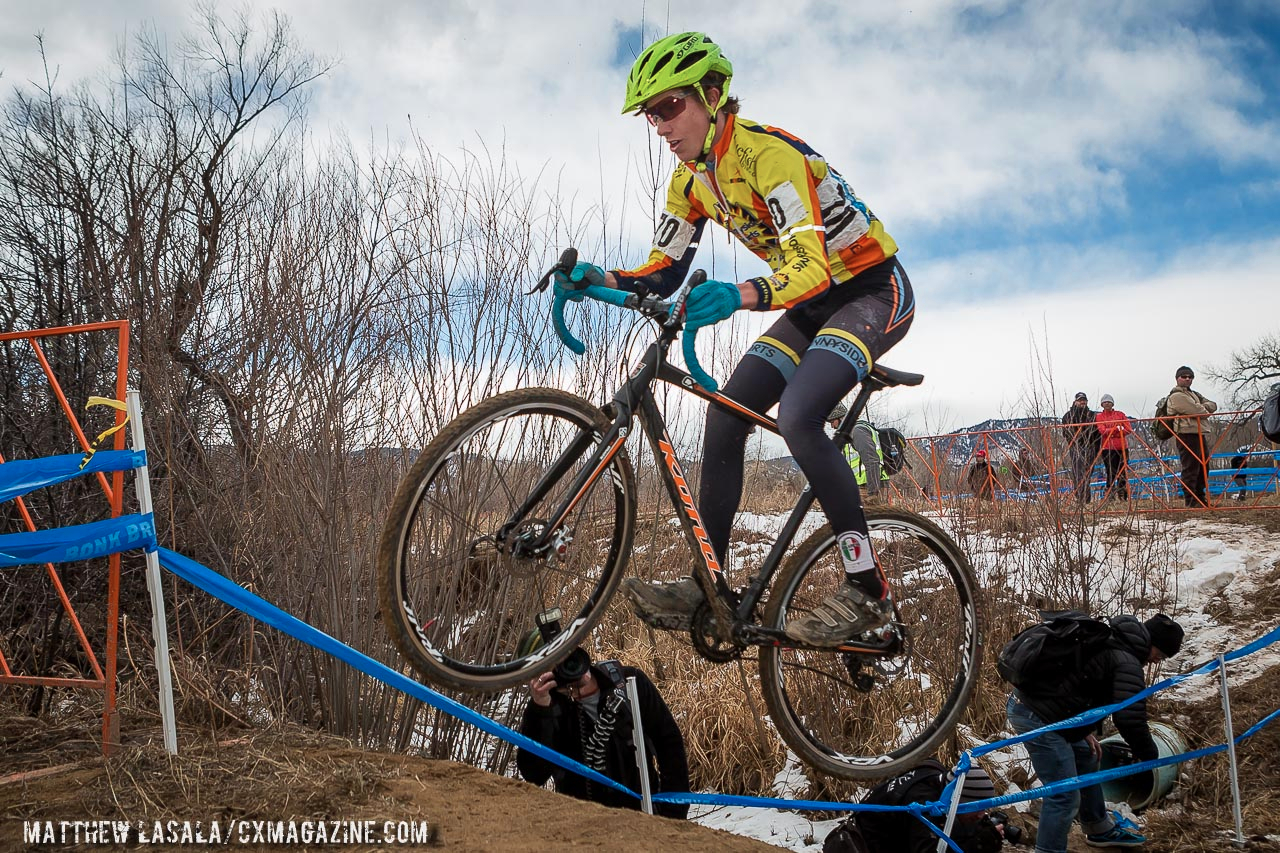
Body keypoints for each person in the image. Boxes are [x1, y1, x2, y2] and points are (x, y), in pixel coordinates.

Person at [556, 32, 915, 646]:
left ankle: (868, 593)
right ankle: (709, 582)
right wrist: (601, 278)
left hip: (869, 290)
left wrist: (738, 295)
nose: (660, 126)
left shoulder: (769, 157)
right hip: (809, 302)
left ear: (713, 96)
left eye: (670, 107)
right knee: (726, 420)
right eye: (651, 115)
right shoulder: (690, 181)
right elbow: (664, 270)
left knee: (800, 416)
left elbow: (811, 268)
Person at [1006, 613, 1185, 852]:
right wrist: (1149, 756)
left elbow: (1076, 684)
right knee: (1064, 794)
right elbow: (1129, 718)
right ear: (1152, 644)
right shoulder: (1128, 660)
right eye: (1160, 654)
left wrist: (1082, 730)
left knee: (1087, 756)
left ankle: (1098, 828)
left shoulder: (1113, 638)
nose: (1156, 661)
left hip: (1040, 710)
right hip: (1037, 717)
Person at [516, 650, 690, 819]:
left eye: (568, 653)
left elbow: (670, 745)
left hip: (645, 816)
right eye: (555, 663)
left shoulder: (628, 683)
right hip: (585, 827)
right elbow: (534, 775)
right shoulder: (550, 710)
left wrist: (673, 813)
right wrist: (541, 709)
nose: (568, 664)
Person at [823, 763, 1005, 853]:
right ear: (958, 801)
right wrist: (980, 844)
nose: (982, 814)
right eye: (977, 808)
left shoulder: (933, 775)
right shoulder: (923, 803)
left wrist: (977, 829)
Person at [1165, 366, 1218, 507]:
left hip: (1198, 432)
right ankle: (1191, 500)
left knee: (1203, 466)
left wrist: (1201, 407)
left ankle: (1200, 497)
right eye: (1184, 376)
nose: (1188, 379)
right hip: (1186, 433)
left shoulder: (1193, 394)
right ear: (1177, 378)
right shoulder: (1176, 396)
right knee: (1191, 467)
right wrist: (1201, 407)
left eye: (1190, 377)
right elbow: (1200, 411)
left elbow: (1213, 405)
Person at [828, 402, 889, 499]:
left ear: (840, 418)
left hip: (868, 486)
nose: (832, 426)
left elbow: (872, 461)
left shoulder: (858, 431)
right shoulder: (850, 434)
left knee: (872, 514)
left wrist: (873, 494)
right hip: (860, 486)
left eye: (832, 422)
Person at [1061, 392, 1100, 503]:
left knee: (1088, 473)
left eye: (1084, 400)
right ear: (1075, 402)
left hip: (1091, 446)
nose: (1082, 402)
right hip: (1076, 447)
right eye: (1080, 400)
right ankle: (1082, 499)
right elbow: (1066, 432)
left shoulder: (1091, 415)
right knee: (1078, 473)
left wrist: (1096, 446)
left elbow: (1097, 433)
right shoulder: (1068, 415)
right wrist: (1074, 442)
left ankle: (1085, 499)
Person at [1095, 394, 1133, 500]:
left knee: (1122, 472)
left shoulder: (1120, 414)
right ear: (1102, 404)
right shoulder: (1099, 416)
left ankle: (1123, 496)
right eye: (1105, 402)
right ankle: (1110, 495)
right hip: (1107, 448)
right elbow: (1102, 430)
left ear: (1112, 403)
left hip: (1122, 447)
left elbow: (1128, 429)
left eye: (1109, 402)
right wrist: (1117, 430)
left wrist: (1112, 432)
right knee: (1110, 472)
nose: (1107, 404)